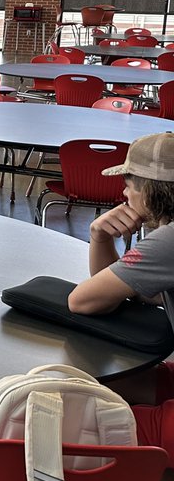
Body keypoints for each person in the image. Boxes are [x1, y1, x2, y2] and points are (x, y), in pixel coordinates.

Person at [66, 133, 174, 460]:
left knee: (72, 416)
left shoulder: (168, 242)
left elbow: (82, 301)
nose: (124, 193)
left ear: (152, 190)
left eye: (129, 184)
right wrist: (100, 237)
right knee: (101, 385)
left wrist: (98, 234)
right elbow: (129, 292)